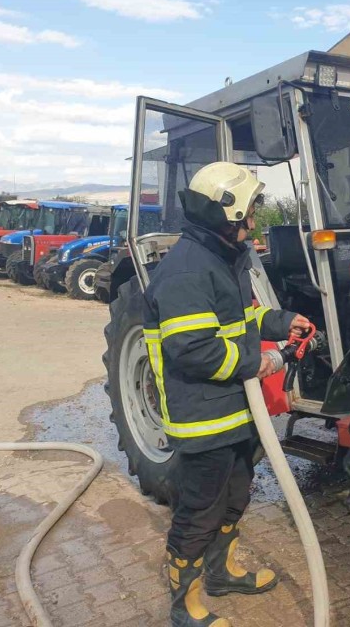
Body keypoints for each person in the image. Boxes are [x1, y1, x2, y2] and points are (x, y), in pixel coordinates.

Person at [144, 161, 312, 627]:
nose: (253, 223)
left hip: (235, 412)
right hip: (204, 420)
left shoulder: (221, 258)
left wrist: (283, 322)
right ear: (224, 213)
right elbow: (192, 350)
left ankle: (221, 574)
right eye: (248, 214)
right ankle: (185, 604)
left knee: (236, 495)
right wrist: (261, 362)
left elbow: (240, 321)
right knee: (199, 511)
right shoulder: (187, 271)